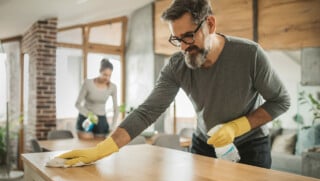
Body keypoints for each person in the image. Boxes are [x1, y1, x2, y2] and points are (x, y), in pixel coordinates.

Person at [57, 0, 290, 168]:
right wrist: (102, 150)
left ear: (210, 23)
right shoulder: (177, 65)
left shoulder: (249, 55)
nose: (182, 47)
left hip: (250, 146)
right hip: (204, 144)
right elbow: (147, 112)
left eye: (188, 36)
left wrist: (236, 127)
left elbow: (281, 101)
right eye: (176, 39)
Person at [75, 58, 119, 140]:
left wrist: (113, 126)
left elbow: (116, 109)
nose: (107, 78)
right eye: (105, 74)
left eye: (109, 75)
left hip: (101, 120)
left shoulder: (113, 87)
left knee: (99, 148)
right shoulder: (88, 83)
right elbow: (77, 104)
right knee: (85, 146)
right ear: (100, 71)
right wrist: (89, 115)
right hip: (86, 118)